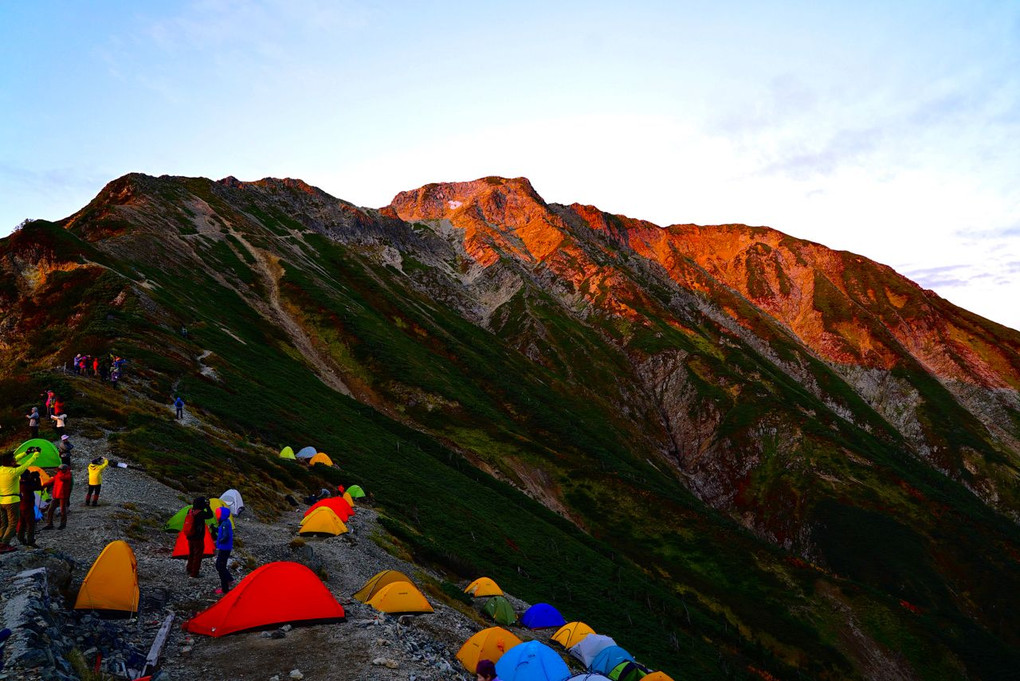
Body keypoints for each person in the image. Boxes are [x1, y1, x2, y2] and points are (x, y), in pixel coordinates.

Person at [0, 449, 39, 552]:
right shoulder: (13, 472)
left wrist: (26, 453)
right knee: (13, 523)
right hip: (12, 501)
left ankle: (1, 541)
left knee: (4, 523)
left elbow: (12, 461)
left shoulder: (1, 469)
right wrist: (35, 454)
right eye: (13, 461)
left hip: (1, 500)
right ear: (11, 463)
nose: (15, 461)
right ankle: (4, 544)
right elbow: (26, 464)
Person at [185, 497, 214, 578]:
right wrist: (207, 506)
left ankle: (189, 568)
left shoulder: (190, 511)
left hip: (190, 536)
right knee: (198, 555)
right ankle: (194, 573)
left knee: (191, 553)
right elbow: (210, 515)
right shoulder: (200, 513)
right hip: (198, 538)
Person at [16, 469, 42, 547]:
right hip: (28, 506)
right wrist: (37, 478)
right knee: (30, 524)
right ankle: (30, 541)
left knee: (22, 523)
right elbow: (38, 487)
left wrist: (32, 478)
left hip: (20, 506)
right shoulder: (27, 484)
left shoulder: (19, 483)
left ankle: (21, 538)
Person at [42, 465, 72, 530]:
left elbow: (62, 478)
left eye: (60, 470)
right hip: (56, 495)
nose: (59, 471)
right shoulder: (59, 474)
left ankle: (63, 524)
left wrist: (58, 473)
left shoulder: (68, 475)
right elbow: (51, 481)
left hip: (63, 496)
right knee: (50, 509)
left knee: (62, 511)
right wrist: (43, 486)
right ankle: (49, 524)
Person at [214, 506, 234, 594]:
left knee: (220, 567)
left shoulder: (225, 524)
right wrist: (214, 529)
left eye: (218, 513)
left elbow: (225, 536)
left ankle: (225, 588)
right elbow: (221, 531)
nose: (217, 515)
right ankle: (229, 580)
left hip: (224, 548)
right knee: (219, 565)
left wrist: (219, 541)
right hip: (225, 548)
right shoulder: (225, 522)